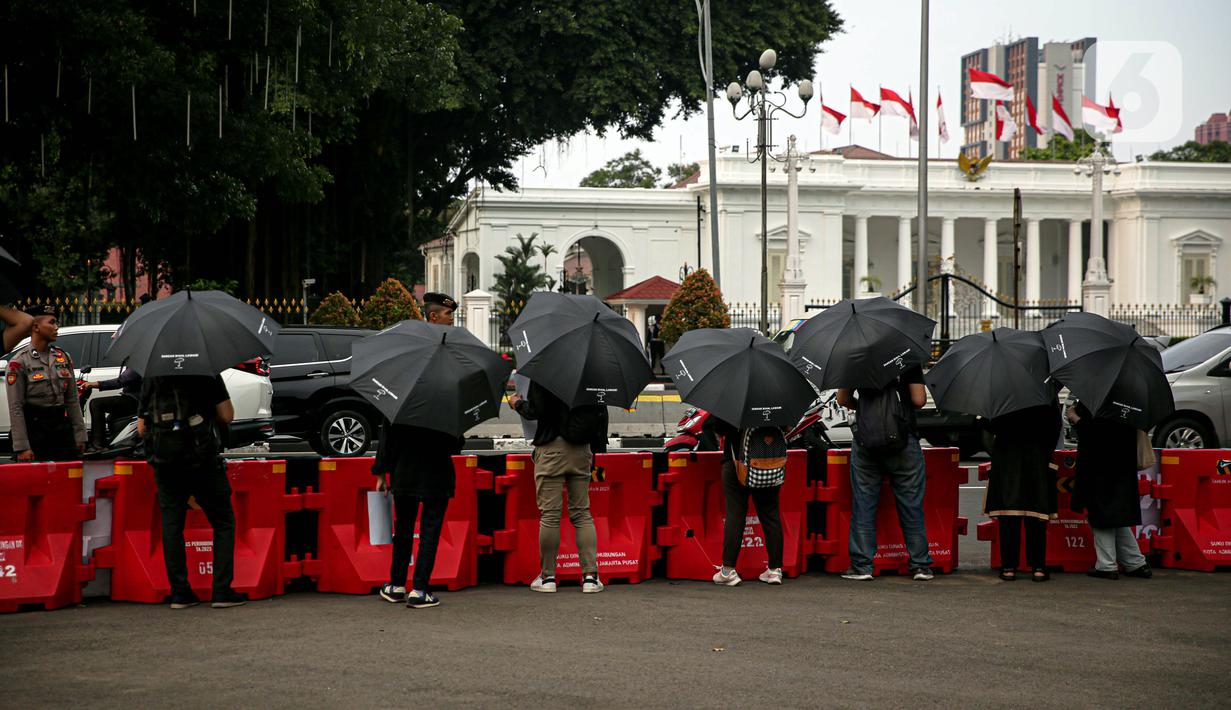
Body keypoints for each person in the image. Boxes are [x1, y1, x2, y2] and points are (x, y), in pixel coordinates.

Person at [137, 373, 247, 609]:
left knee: (172, 525)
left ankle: (180, 593)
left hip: (165, 463)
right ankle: (221, 591)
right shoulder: (207, 372)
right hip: (202, 460)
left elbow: (141, 428)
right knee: (223, 522)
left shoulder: (152, 375)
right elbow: (227, 416)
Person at [508, 380, 607, 594]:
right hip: (581, 450)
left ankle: (548, 578)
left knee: (550, 516)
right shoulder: (592, 375)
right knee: (582, 513)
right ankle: (590, 577)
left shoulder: (545, 372)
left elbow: (536, 410)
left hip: (551, 448)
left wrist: (516, 403)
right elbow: (600, 415)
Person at [836, 366, 934, 581]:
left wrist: (862, 405)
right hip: (904, 438)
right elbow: (919, 400)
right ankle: (920, 566)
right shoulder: (907, 358)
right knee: (911, 504)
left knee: (864, 503)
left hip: (866, 441)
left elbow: (842, 399)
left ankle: (862, 566)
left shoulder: (855, 359)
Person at [372, 423, 464, 609]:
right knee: (429, 534)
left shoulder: (398, 403)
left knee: (403, 529)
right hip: (437, 478)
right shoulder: (446, 405)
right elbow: (456, 445)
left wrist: (381, 474)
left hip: (404, 475)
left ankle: (396, 585)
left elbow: (386, 443)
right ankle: (420, 590)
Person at [1067, 402, 1152, 580]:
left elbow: (1094, 433)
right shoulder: (1128, 399)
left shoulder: (1098, 398)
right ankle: (1135, 562)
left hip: (1100, 466)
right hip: (1122, 464)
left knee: (1101, 514)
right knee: (1117, 516)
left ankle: (1106, 565)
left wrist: (1075, 417)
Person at [984, 404, 1063, 582]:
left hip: (1007, 459)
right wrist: (1045, 452)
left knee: (1008, 517)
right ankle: (1038, 568)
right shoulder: (1043, 392)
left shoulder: (1002, 394)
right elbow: (1055, 427)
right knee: (1036, 516)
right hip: (1037, 459)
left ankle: (1008, 568)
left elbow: (988, 427)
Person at [710, 417, 786, 586]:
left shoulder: (734, 396)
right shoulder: (777, 398)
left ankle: (728, 570)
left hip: (736, 464)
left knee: (735, 515)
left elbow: (720, 428)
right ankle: (774, 570)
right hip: (770, 465)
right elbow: (786, 427)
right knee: (771, 516)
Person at [6, 305, 87, 462]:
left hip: (60, 430)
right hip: (35, 431)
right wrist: (22, 446)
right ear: (36, 327)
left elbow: (72, 400)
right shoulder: (19, 362)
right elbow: (16, 407)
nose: (56, 327)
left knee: (67, 480)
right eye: (51, 322)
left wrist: (80, 435)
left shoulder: (62, 357)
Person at [84, 366, 142, 450]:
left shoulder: (137, 363)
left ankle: (98, 445)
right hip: (135, 398)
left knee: (96, 403)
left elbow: (120, 381)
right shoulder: (136, 361)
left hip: (135, 400)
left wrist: (95, 384)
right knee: (110, 418)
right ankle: (110, 442)